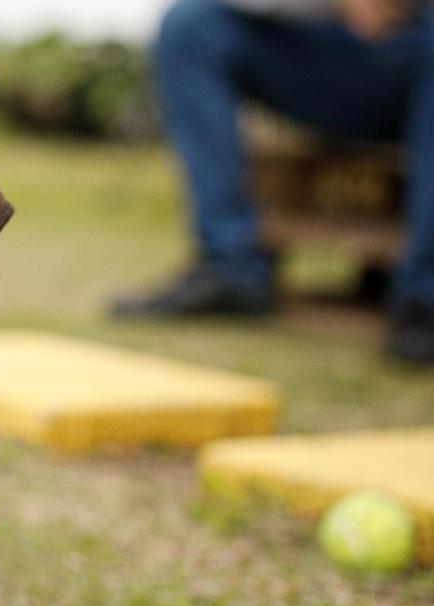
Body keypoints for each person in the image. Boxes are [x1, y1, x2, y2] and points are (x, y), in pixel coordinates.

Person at [113, 0, 434, 365]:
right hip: (334, 56)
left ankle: (425, 297)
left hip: (418, 47)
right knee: (191, 25)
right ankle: (232, 268)